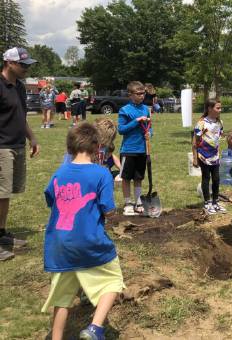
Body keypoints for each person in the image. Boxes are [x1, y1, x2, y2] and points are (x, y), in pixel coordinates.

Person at [42, 122, 124, 340]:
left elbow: (51, 199)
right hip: (89, 241)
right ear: (98, 146)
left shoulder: (59, 173)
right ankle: (95, 329)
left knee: (62, 298)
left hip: (59, 245)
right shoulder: (101, 173)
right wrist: (114, 215)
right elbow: (108, 209)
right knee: (113, 280)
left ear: (69, 147)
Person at [0, 47, 40, 262]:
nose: (26, 68)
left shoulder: (20, 87)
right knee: (0, 193)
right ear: (8, 63)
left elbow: (21, 116)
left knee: (6, 193)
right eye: (23, 64)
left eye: (28, 65)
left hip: (17, 145)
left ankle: (2, 234)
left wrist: (31, 137)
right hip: (2, 146)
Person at [117, 81, 151, 216]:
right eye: (138, 94)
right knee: (126, 178)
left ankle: (138, 202)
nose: (142, 96)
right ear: (130, 94)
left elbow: (150, 127)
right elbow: (121, 130)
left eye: (143, 93)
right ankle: (127, 203)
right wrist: (136, 121)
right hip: (128, 150)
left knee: (138, 177)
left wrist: (150, 133)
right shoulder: (124, 110)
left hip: (142, 149)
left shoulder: (145, 109)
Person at [193, 100, 226, 215]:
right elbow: (195, 142)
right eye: (218, 108)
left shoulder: (219, 122)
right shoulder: (201, 123)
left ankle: (215, 202)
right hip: (203, 156)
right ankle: (207, 203)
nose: (220, 110)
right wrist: (195, 158)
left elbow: (219, 136)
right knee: (206, 178)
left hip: (215, 156)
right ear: (209, 109)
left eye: (220, 108)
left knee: (216, 179)